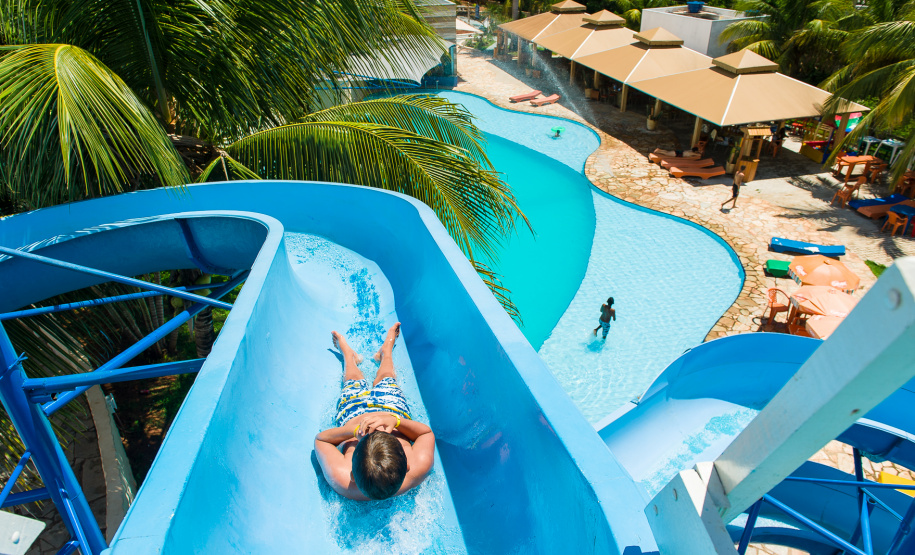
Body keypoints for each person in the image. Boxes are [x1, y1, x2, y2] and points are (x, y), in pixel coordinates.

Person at [314, 323, 435, 500]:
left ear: (352, 475)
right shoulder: (417, 468)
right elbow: (425, 433)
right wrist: (396, 421)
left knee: (352, 380)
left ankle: (349, 357)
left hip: (353, 413)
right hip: (392, 409)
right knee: (386, 378)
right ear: (408, 466)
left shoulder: (343, 481)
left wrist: (354, 431)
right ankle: (385, 353)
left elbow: (321, 440)